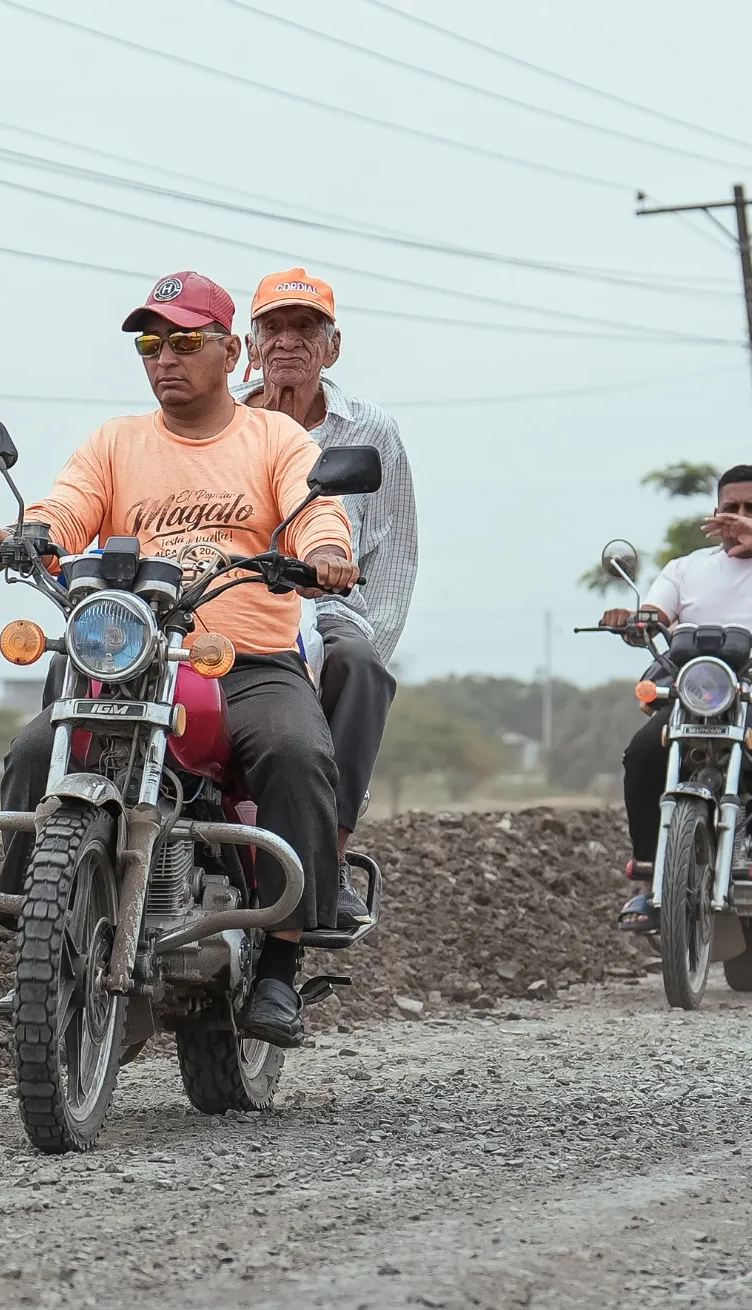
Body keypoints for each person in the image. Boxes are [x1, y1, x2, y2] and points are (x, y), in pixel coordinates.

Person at [0, 270, 354, 1048]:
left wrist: (325, 554)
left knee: (297, 752)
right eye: (150, 344)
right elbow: (66, 509)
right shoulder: (116, 442)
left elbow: (317, 511)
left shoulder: (275, 439)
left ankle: (280, 968)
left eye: (184, 341)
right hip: (133, 660)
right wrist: (20, 534)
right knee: (36, 750)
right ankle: (37, 950)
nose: (164, 357)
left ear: (230, 352)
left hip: (244, 663)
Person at [236, 269, 417, 925]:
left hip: (329, 605)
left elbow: (394, 551)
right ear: (250, 346)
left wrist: (367, 636)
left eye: (305, 328)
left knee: (359, 669)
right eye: (274, 328)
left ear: (332, 347)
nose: (288, 341)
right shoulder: (222, 419)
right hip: (223, 599)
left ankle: (329, 858)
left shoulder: (371, 430)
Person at [602, 464, 752, 941]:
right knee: (643, 752)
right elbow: (654, 613)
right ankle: (650, 880)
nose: (741, 517)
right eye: (731, 508)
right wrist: (634, 621)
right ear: (715, 512)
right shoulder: (686, 568)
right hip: (696, 706)